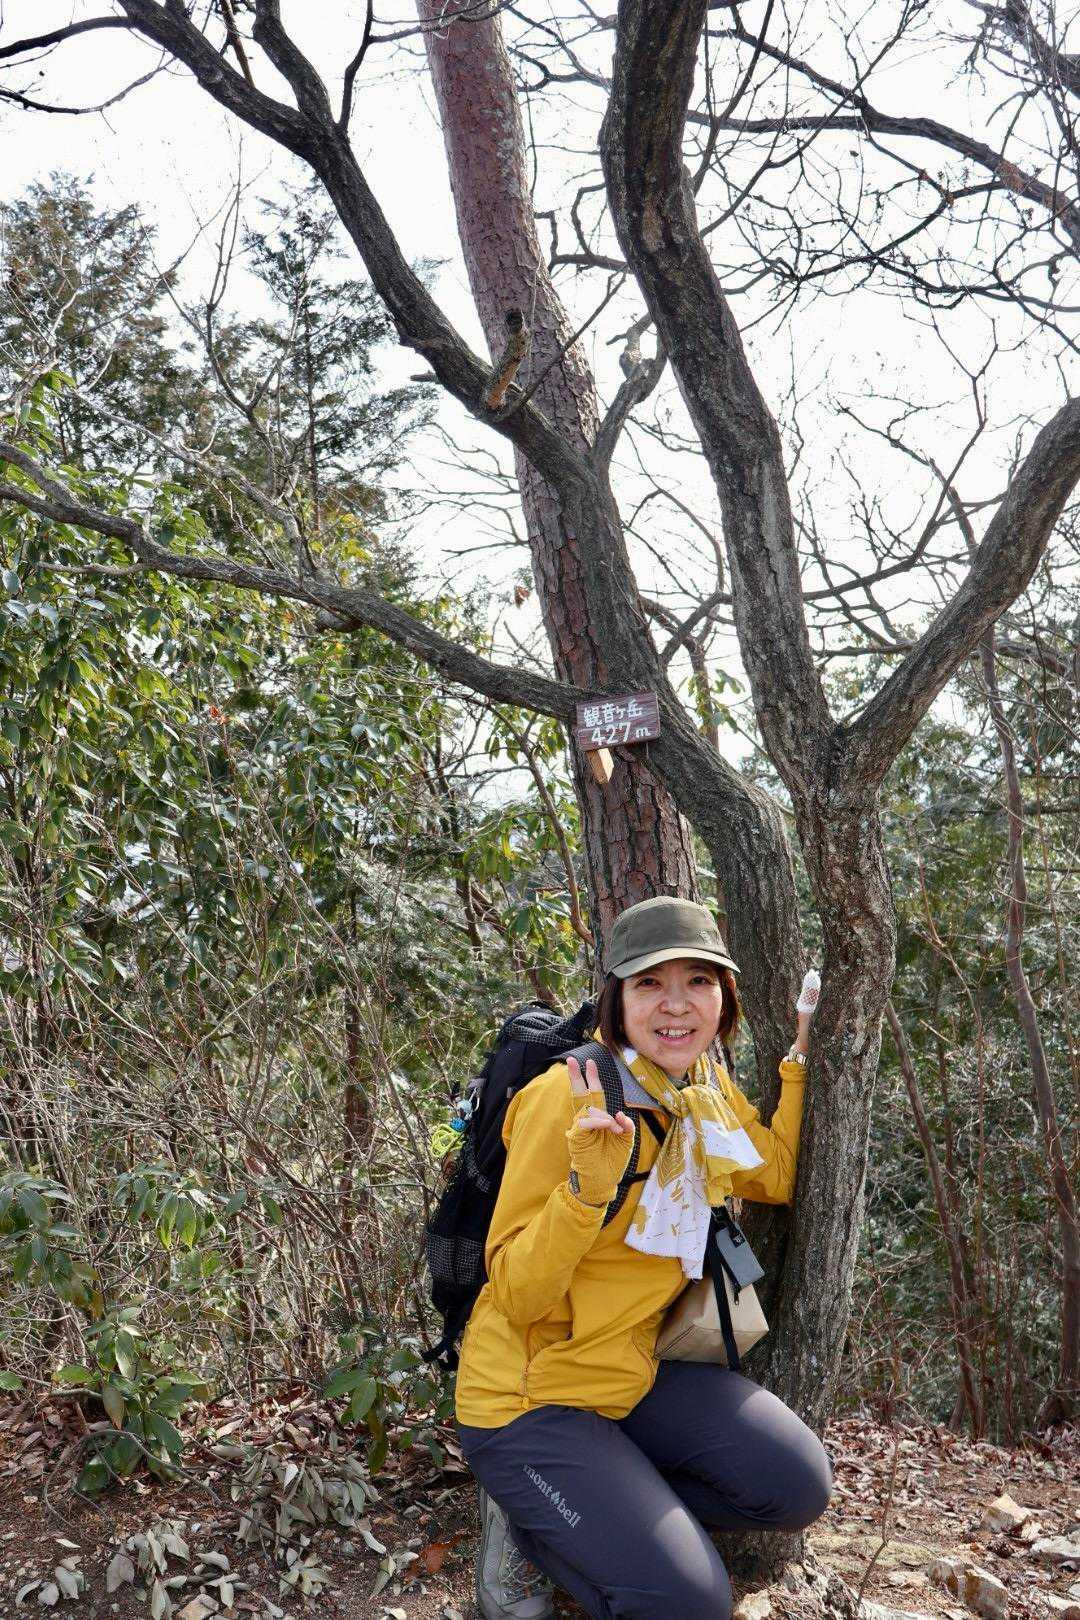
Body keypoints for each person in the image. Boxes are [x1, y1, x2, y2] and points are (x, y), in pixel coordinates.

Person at [456, 895, 831, 1620]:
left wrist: (800, 1060)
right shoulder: (567, 1099)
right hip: (530, 1397)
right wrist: (585, 1193)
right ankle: (531, 1523)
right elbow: (518, 1294)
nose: (677, 1004)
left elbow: (775, 1176)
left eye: (699, 981)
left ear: (724, 999)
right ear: (616, 1000)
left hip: (633, 1371)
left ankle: (610, 1509)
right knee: (689, 1606)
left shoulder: (702, 1090)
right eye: (650, 982)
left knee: (797, 1486)